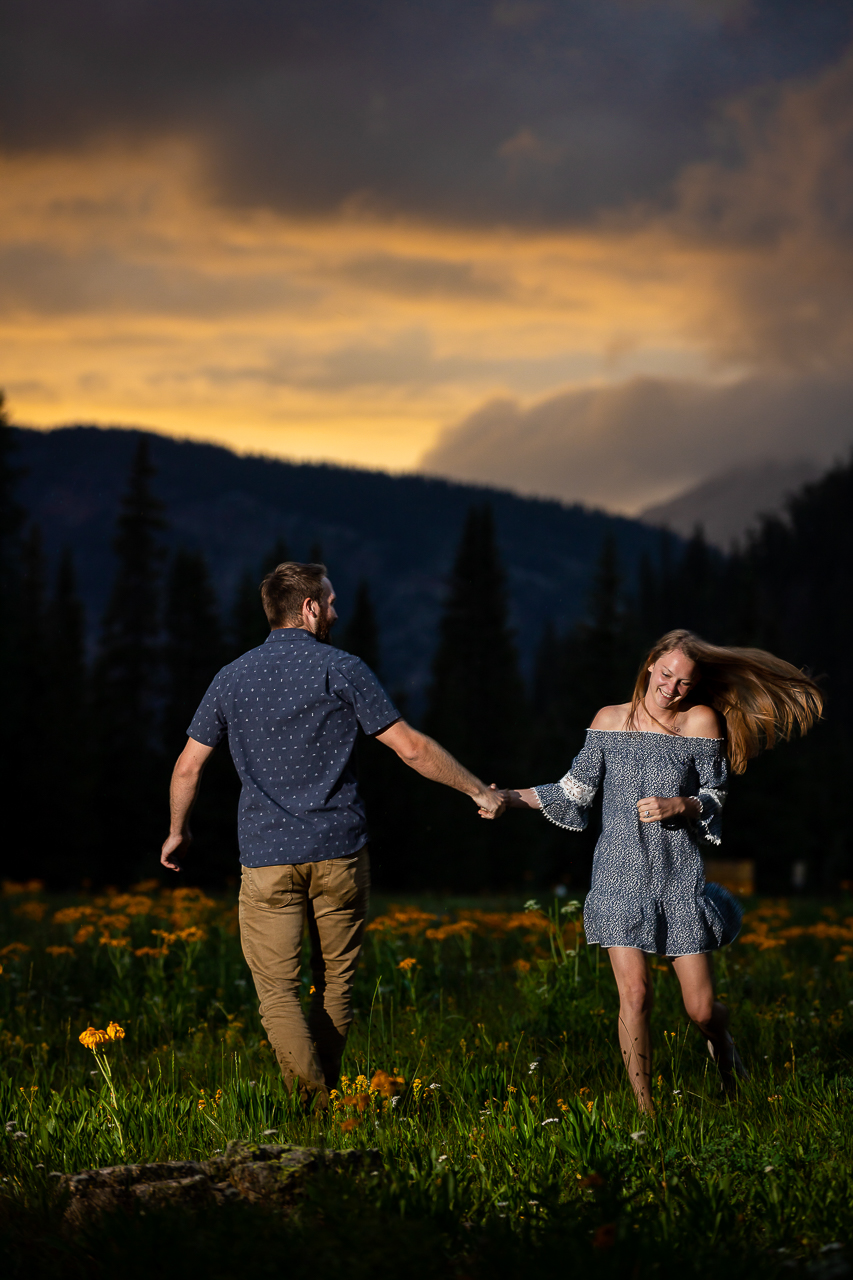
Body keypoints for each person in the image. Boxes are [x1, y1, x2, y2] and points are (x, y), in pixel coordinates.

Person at [161, 561, 503, 1108]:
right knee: (335, 983)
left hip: (267, 859)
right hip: (340, 855)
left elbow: (186, 767)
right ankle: (332, 1100)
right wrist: (478, 792)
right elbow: (411, 748)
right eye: (331, 601)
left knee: (277, 990)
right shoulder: (341, 668)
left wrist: (177, 831)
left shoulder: (230, 676)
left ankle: (312, 1106)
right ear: (310, 608)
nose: (337, 611)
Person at [493, 629, 822, 1112]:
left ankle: (724, 1046)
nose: (671, 688)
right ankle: (647, 1113)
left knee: (701, 1009)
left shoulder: (700, 722)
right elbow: (572, 792)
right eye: (665, 675)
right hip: (616, 878)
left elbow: (715, 795)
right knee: (636, 994)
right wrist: (506, 798)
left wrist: (681, 804)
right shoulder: (609, 720)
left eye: (684, 683)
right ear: (650, 666)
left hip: (677, 879)